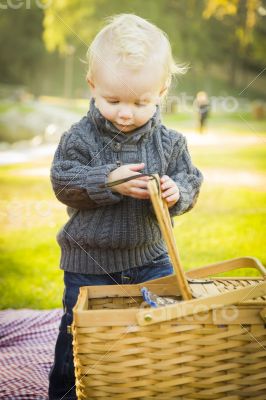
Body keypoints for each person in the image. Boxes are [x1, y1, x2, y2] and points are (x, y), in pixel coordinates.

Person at [48, 14, 203, 400]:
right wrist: (106, 180)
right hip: (91, 265)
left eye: (140, 102)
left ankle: (148, 387)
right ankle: (68, 393)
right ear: (92, 86)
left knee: (162, 330)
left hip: (152, 260)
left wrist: (176, 192)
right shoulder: (79, 138)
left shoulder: (171, 143)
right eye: (113, 100)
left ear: (162, 91)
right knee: (79, 338)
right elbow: (63, 181)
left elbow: (191, 180)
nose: (125, 113)